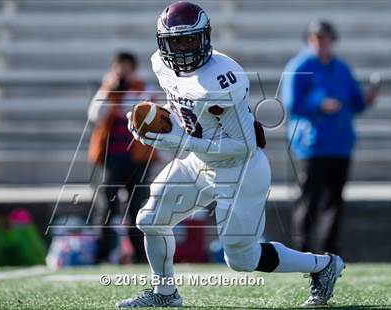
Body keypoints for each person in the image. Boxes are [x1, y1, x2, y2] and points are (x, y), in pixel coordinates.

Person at [116, 2, 344, 307]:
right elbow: (183, 108)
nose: (183, 48)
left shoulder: (223, 78)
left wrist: (182, 142)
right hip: (200, 161)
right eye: (176, 41)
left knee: (241, 259)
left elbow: (244, 145)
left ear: (205, 37)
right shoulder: (161, 64)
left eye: (190, 39)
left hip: (240, 170)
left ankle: (322, 265)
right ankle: (165, 294)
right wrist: (151, 121)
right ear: (162, 43)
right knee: (150, 219)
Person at [281, 20, 378, 254]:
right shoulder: (299, 65)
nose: (320, 42)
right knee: (308, 201)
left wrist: (367, 98)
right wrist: (319, 104)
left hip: (340, 144)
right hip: (310, 146)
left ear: (332, 40)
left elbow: (355, 103)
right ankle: (302, 251)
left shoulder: (342, 68)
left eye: (324, 37)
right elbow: (291, 103)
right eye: (315, 38)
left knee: (334, 202)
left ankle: (329, 252)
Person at [88, 52, 158, 263]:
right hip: (111, 159)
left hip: (138, 159)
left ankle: (138, 254)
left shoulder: (144, 89)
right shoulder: (107, 90)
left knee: (137, 207)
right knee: (105, 206)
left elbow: (138, 113)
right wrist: (109, 90)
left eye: (127, 68)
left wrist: (123, 92)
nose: (123, 72)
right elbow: (94, 115)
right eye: (120, 68)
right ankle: (101, 254)